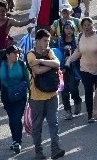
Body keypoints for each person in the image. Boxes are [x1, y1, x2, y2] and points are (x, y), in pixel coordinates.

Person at [27, 28, 67, 159]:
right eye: (45, 41)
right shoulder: (30, 54)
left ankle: (55, 149)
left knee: (53, 122)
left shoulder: (49, 52)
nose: (47, 43)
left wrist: (42, 61)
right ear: (37, 41)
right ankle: (39, 152)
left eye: (48, 41)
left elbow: (57, 63)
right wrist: (51, 65)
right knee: (37, 126)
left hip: (52, 94)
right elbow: (37, 71)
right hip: (37, 97)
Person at [0, 44, 27, 153]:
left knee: (17, 118)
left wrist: (32, 95)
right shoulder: (0, 66)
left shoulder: (22, 65)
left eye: (18, 53)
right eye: (14, 53)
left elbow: (29, 80)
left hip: (20, 95)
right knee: (11, 118)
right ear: (8, 55)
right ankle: (15, 140)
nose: (17, 55)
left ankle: (17, 142)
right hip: (6, 95)